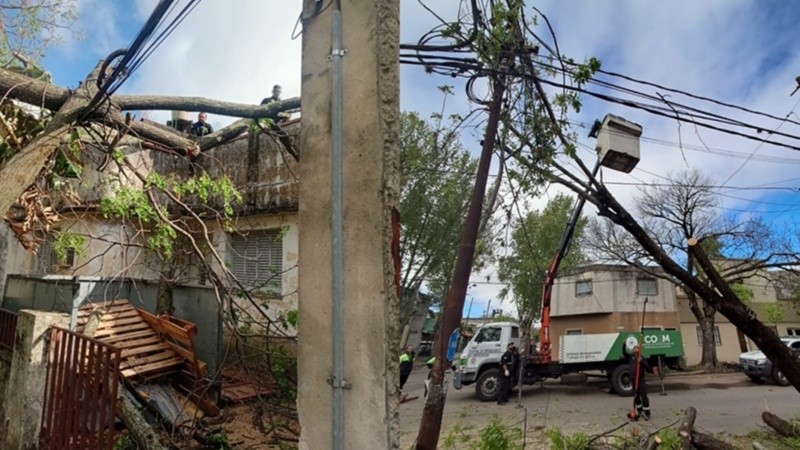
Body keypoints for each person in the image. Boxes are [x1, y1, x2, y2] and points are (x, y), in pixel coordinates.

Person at [629, 344, 656, 421]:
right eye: (634, 348)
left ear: (639, 350)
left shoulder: (642, 358)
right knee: (636, 396)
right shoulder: (631, 357)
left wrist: (642, 361)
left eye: (637, 348)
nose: (635, 349)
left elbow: (647, 367)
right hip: (633, 379)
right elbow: (624, 353)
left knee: (643, 396)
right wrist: (624, 345)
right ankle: (640, 411)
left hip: (640, 379)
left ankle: (647, 413)